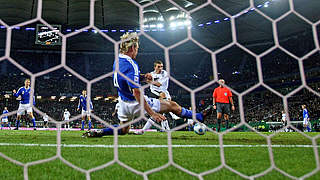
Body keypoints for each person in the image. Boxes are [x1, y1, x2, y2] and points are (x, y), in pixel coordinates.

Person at [82, 32, 213, 137]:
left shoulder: (117, 61)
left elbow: (126, 79)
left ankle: (100, 132)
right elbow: (137, 92)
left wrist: (144, 77)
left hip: (123, 103)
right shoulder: (132, 64)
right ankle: (199, 116)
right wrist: (152, 114)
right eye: (137, 48)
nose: (137, 51)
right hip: (136, 102)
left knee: (123, 130)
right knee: (172, 105)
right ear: (132, 47)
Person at [141, 60, 171, 133]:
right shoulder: (151, 74)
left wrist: (148, 80)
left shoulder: (165, 73)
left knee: (159, 113)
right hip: (154, 93)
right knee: (158, 113)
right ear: (155, 67)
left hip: (163, 93)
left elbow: (158, 84)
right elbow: (145, 79)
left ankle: (143, 130)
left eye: (161, 67)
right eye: (158, 67)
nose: (160, 68)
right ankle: (166, 128)